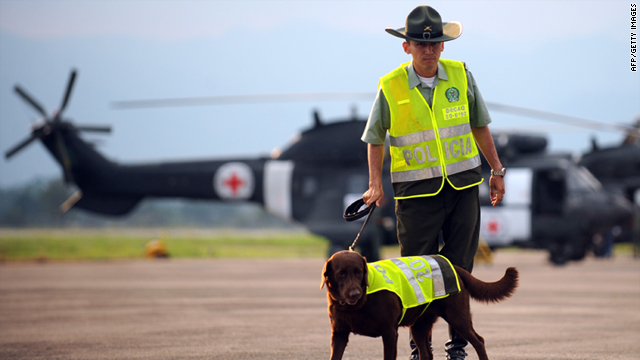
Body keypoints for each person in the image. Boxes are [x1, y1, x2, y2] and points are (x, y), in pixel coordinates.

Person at [361, 5, 505, 360]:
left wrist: (497, 170)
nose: (428, 49)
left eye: (435, 43)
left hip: (462, 188)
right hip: (415, 196)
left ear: (443, 46)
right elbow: (374, 138)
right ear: (406, 46)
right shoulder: (390, 86)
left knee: (460, 270)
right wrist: (374, 185)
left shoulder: (460, 76)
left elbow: (480, 125)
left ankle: (457, 345)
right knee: (416, 273)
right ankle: (419, 347)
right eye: (419, 43)